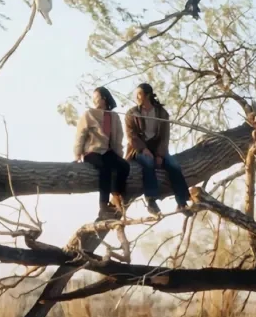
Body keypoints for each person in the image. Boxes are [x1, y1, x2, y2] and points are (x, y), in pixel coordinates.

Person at [124, 83, 192, 216]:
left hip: (158, 147)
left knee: (174, 165)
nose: (137, 97)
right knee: (148, 163)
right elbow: (131, 136)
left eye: (139, 94)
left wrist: (160, 155)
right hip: (139, 149)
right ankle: (151, 200)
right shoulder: (131, 114)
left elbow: (165, 136)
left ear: (147, 95)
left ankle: (182, 202)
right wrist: (143, 149)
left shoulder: (161, 113)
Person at [74, 86, 129, 221]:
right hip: (92, 151)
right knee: (104, 169)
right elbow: (80, 135)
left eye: (96, 97)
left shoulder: (114, 116)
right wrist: (77, 154)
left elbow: (117, 138)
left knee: (124, 166)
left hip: (107, 152)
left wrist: (118, 155)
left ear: (104, 99)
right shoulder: (89, 114)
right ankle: (103, 206)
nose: (94, 100)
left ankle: (116, 195)